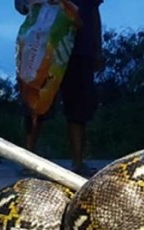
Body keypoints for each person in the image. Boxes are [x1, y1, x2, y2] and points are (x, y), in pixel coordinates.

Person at [15, 0, 103, 177]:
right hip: (44, 47)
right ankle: (27, 159)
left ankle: (78, 162)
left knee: (78, 107)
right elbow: (20, 4)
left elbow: (93, 11)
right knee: (36, 102)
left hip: (80, 49)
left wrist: (98, 48)